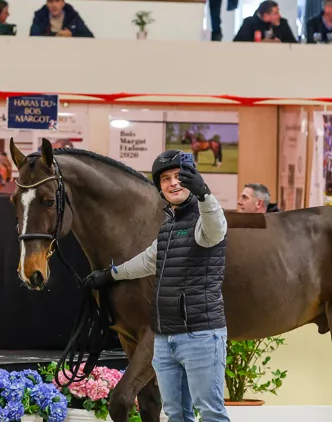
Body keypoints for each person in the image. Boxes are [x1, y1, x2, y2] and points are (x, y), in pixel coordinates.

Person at [82, 150, 229, 422]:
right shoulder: (168, 227)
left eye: (179, 177)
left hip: (200, 335)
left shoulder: (204, 221)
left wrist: (205, 194)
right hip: (165, 338)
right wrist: (110, 275)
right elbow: (147, 261)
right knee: (175, 414)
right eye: (165, 179)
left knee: (211, 413)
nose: (173, 183)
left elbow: (217, 227)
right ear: (160, 188)